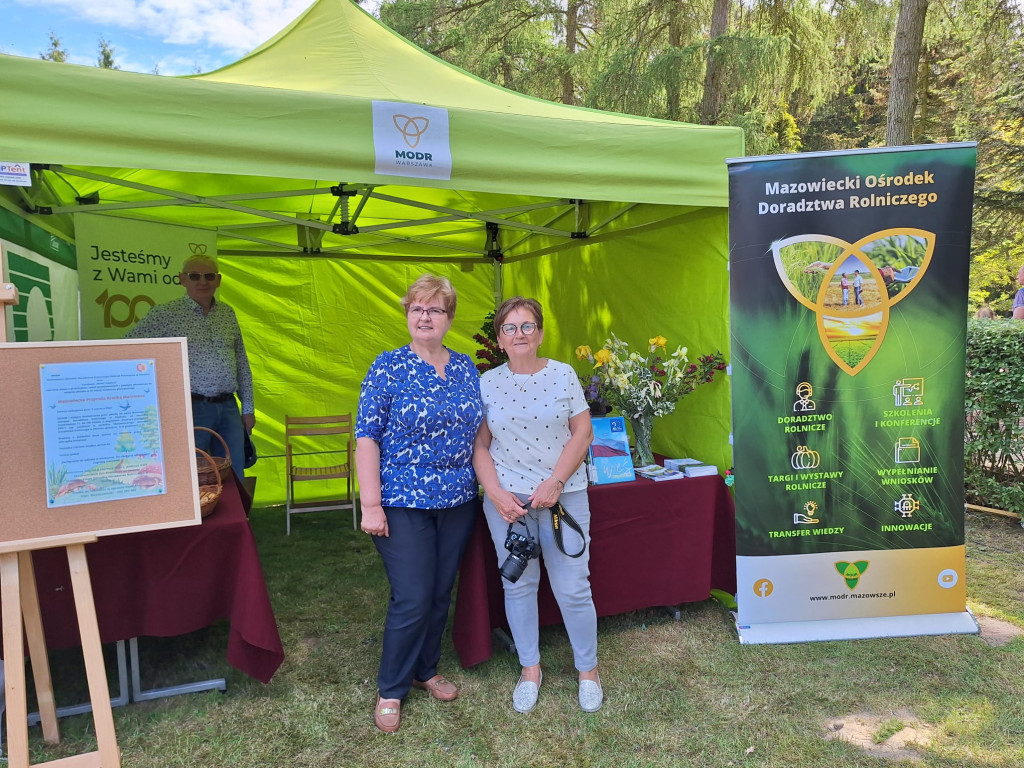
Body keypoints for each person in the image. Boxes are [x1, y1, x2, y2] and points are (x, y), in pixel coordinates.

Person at [355, 274, 484, 733]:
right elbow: (366, 437)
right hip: (402, 499)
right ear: (407, 316)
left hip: (458, 499)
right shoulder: (388, 366)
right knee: (411, 595)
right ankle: (391, 687)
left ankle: (425, 668)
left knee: (437, 591)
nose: (425, 316)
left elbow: (482, 436)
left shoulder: (468, 367)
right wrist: (371, 505)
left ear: (449, 317)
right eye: (416, 309)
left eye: (434, 309)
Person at [472, 296, 602, 714]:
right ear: (500, 340)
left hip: (564, 497)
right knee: (519, 584)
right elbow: (480, 444)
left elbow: (582, 432)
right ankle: (530, 668)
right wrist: (496, 494)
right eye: (510, 328)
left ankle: (588, 671)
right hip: (508, 503)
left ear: (541, 333)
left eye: (528, 326)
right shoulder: (486, 382)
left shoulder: (563, 375)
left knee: (573, 587)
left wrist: (556, 482)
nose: (520, 334)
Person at [126, 253, 254, 478]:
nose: (202, 282)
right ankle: (201, 514)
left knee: (234, 471)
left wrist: (248, 408)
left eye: (209, 276)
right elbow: (129, 346)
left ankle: (236, 514)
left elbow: (241, 361)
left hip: (229, 408)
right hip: (191, 408)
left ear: (218, 280)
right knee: (195, 474)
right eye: (194, 276)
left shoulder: (227, 313)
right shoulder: (165, 314)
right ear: (182, 279)